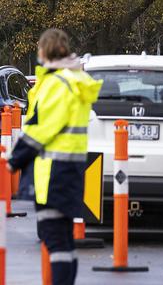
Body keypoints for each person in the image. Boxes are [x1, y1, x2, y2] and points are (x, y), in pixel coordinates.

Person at [7, 29, 102, 285]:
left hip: (53, 174)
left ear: (45, 51)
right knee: (65, 241)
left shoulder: (57, 83)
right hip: (70, 170)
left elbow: (41, 129)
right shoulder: (74, 81)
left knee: (55, 239)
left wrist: (13, 161)